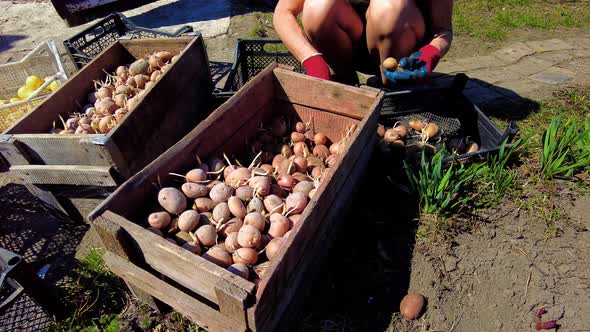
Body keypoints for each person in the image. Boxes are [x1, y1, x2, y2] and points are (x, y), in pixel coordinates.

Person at [273, 0, 453, 85]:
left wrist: (431, 53)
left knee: (389, 9)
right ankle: (345, 83)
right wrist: (312, 61)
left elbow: (442, 31)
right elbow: (283, 12)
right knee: (318, 7)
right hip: (351, 50)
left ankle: (396, 88)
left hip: (403, 54)